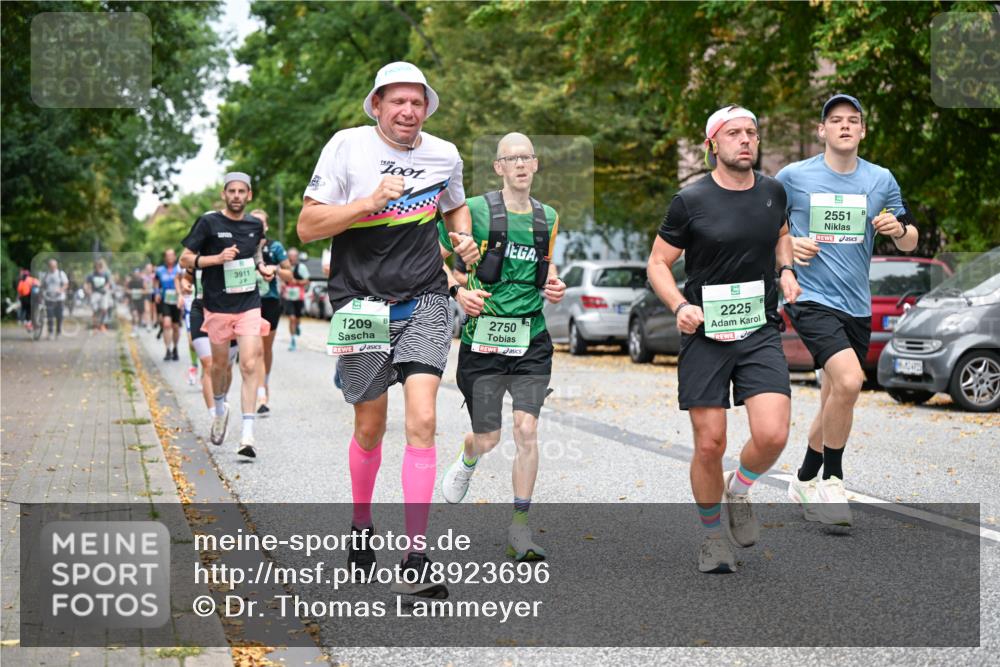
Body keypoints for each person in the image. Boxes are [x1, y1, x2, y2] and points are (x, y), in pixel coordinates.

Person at [297, 61, 480, 598]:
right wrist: (367, 203)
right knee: (370, 426)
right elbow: (308, 227)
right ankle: (360, 524)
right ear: (376, 105)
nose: (408, 111)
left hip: (425, 297)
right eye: (397, 101)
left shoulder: (444, 155)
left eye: (417, 102)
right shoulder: (345, 147)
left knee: (423, 419)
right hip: (361, 304)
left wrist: (462, 242)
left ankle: (417, 554)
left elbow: (455, 208)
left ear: (427, 108)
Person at [647, 105, 802, 574]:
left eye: (751, 132)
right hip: (705, 332)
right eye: (734, 133)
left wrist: (787, 269)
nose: (745, 140)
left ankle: (740, 488)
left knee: (773, 433)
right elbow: (657, 263)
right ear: (712, 143)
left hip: (758, 328)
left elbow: (781, 234)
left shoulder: (773, 192)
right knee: (710, 442)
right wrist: (680, 306)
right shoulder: (690, 201)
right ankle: (713, 537)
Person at [777, 94, 918, 527]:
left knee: (837, 394)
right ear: (821, 131)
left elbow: (910, 237)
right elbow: (767, 228)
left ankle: (802, 477)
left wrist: (898, 231)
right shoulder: (793, 177)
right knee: (852, 381)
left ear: (862, 131)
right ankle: (832, 480)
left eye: (852, 121)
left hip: (857, 304)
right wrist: (787, 248)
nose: (843, 126)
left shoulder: (880, 181)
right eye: (834, 120)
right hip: (810, 298)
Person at [438, 133, 566, 562]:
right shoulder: (473, 210)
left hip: (531, 338)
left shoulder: (548, 216)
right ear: (498, 167)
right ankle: (469, 457)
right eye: (511, 158)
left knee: (527, 430)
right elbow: (435, 255)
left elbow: (546, 268)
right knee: (489, 438)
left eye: (527, 157)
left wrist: (555, 284)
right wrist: (458, 290)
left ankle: (520, 527)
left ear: (536, 163)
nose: (521, 165)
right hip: (483, 341)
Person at [180, 172, 272, 458]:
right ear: (224, 194)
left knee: (248, 363)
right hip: (217, 305)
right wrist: (216, 259)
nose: (236, 196)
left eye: (241, 191)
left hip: (248, 303)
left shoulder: (254, 225)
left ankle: (247, 437)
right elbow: (185, 258)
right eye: (231, 191)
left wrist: (262, 268)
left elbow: (257, 254)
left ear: (249, 195)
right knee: (219, 367)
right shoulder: (208, 222)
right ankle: (220, 410)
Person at [179, 265, 237, 425]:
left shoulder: (234, 250)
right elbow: (186, 277)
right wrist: (185, 285)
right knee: (208, 364)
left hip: (228, 311)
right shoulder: (199, 253)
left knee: (225, 366)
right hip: (201, 309)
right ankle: (216, 416)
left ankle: (221, 397)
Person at [250, 208, 290, 416]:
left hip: (271, 302)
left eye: (260, 223)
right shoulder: (243, 246)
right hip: (248, 303)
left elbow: (289, 274)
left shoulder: (275, 247)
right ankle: (260, 394)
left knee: (265, 349)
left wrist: (275, 270)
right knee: (255, 349)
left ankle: (264, 384)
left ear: (266, 226)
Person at [154, 249, 182, 360]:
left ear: (175, 257)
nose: (170, 257)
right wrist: (157, 293)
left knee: (175, 327)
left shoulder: (179, 269)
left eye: (172, 255)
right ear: (165, 258)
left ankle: (175, 348)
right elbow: (156, 283)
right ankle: (167, 350)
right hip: (165, 300)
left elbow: (185, 281)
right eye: (168, 256)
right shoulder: (160, 270)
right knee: (166, 324)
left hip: (176, 300)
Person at [282, 247, 310, 351]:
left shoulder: (301, 267)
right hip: (288, 297)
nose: (292, 258)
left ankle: (298, 325)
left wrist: (297, 282)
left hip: (299, 297)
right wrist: (283, 285)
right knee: (291, 318)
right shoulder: (285, 267)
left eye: (294, 256)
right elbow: (280, 279)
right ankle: (292, 340)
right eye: (290, 256)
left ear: (297, 257)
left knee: (297, 318)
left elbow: (307, 281)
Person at [41, 258, 69, 339]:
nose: (52, 267)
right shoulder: (46, 275)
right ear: (49, 266)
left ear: (56, 266)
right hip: (48, 298)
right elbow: (42, 285)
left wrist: (61, 290)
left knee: (59, 316)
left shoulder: (61, 273)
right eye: (51, 266)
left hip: (59, 298)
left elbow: (66, 284)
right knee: (50, 316)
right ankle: (50, 332)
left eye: (54, 266)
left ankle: (58, 332)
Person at [85, 258, 114, 332]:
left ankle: (102, 325)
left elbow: (108, 283)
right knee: (95, 310)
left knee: (104, 309)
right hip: (95, 293)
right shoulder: (91, 275)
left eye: (100, 266)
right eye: (97, 266)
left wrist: (106, 288)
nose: (98, 268)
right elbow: (88, 284)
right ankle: (95, 325)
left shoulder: (105, 274)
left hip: (103, 293)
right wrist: (88, 290)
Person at [126, 268, 146, 336]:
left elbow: (146, 290)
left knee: (140, 316)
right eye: (135, 273)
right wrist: (131, 292)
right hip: (133, 301)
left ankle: (138, 327)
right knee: (134, 315)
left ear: (140, 274)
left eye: (138, 273)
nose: (136, 274)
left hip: (140, 301)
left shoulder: (143, 281)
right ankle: (134, 329)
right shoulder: (130, 282)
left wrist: (140, 291)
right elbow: (127, 290)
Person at [142, 263, 157, 331]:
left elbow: (156, 285)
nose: (148, 270)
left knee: (153, 310)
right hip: (146, 295)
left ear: (152, 269)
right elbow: (143, 286)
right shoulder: (143, 277)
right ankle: (148, 324)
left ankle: (153, 322)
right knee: (147, 310)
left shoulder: (154, 276)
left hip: (153, 294)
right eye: (147, 268)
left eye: (150, 268)